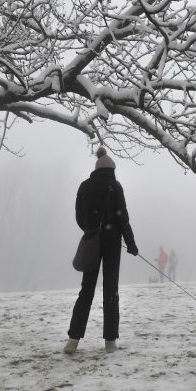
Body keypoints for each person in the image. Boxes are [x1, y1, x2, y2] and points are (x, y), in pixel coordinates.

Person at [65, 147, 138, 354]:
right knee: (110, 291)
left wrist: (91, 231)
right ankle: (110, 342)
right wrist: (130, 244)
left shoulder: (84, 186)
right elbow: (123, 218)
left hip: (92, 243)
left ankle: (73, 339)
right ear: (112, 169)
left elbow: (79, 216)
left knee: (86, 290)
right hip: (112, 244)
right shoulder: (115, 186)